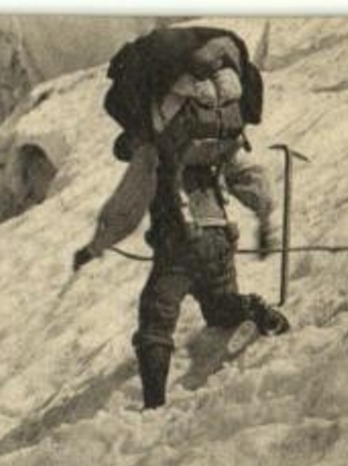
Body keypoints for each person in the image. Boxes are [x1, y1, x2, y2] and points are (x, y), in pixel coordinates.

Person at [73, 26, 290, 409]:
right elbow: (246, 176)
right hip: (222, 238)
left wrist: (96, 245)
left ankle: (154, 403)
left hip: (179, 244)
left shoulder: (154, 149)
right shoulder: (212, 146)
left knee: (155, 320)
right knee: (219, 306)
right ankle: (253, 309)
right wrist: (266, 215)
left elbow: (129, 204)